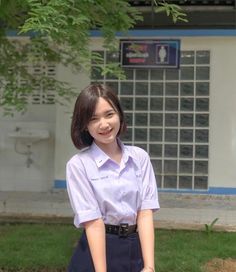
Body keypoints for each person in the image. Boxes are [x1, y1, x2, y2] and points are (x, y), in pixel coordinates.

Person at [66, 83, 160, 272]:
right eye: (94, 119)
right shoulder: (78, 165)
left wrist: (149, 266)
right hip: (96, 253)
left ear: (119, 114)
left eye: (109, 114)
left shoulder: (139, 157)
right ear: (84, 125)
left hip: (136, 249)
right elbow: (93, 223)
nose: (104, 124)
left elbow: (145, 212)